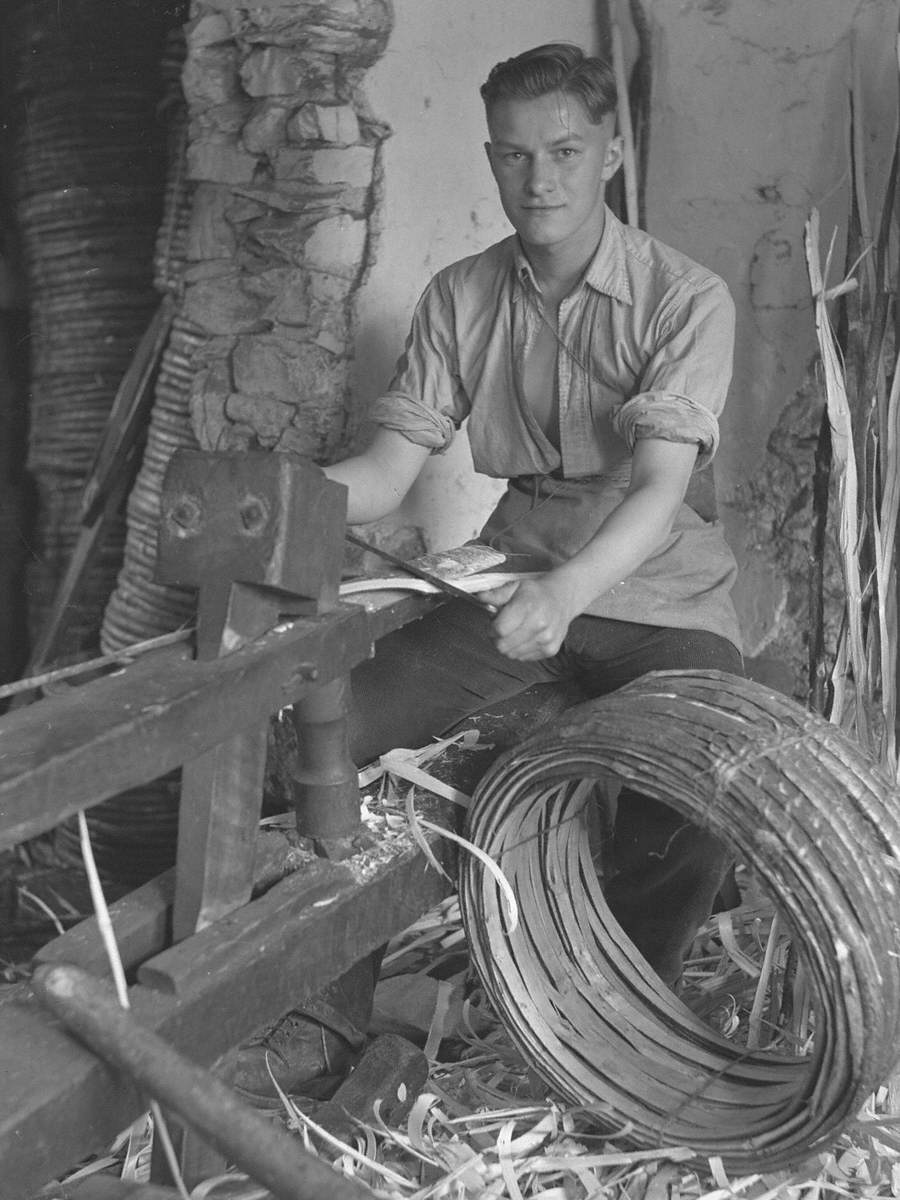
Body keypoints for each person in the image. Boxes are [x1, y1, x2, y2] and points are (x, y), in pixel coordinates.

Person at [234, 41, 743, 1103]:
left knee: (704, 770)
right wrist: (274, 504)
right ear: (491, 160)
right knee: (345, 734)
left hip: (655, 586)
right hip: (514, 571)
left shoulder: (684, 297)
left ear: (611, 150)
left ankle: (619, 1036)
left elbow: (657, 492)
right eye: (514, 157)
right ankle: (325, 1024)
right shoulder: (461, 295)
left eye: (565, 150)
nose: (540, 179)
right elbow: (383, 473)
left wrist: (567, 596)